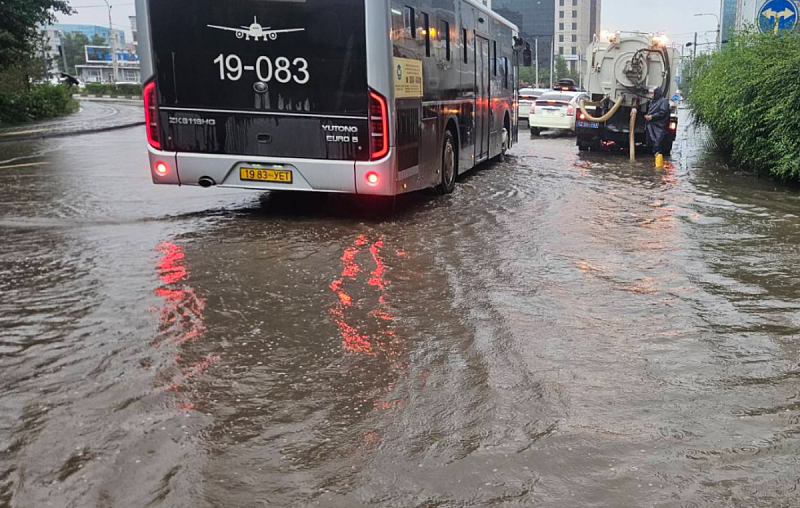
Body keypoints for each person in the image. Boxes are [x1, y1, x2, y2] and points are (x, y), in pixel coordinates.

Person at [644, 87, 670, 156]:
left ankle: (658, 160)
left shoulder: (663, 101)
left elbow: (663, 112)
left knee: (658, 143)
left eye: (652, 93)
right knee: (653, 142)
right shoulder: (653, 101)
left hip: (660, 126)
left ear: (657, 93)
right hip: (653, 124)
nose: (651, 95)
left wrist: (652, 116)